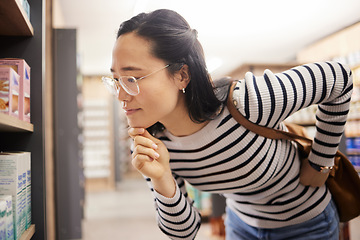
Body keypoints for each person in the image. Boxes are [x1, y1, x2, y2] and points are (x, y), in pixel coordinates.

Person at [102, 9, 353, 240]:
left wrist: (321, 162)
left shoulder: (248, 102)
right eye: (115, 80)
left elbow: (339, 78)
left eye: (132, 78)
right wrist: (162, 178)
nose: (121, 95)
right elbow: (184, 233)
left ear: (181, 75)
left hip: (307, 223)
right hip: (240, 225)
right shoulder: (152, 144)